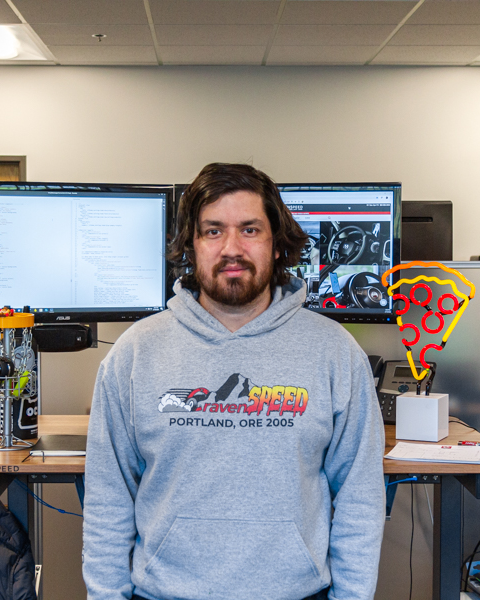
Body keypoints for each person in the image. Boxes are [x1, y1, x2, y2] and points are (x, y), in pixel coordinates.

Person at [83, 163, 385, 600]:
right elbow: (108, 502)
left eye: (249, 230)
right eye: (213, 231)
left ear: (277, 244)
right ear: (191, 244)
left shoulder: (334, 352)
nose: (231, 248)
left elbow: (360, 498)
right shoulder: (134, 354)